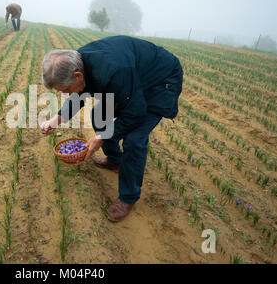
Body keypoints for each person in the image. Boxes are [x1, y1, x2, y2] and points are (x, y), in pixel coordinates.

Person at [40, 36, 183, 222]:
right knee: (99, 116)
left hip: (160, 81)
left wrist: (101, 137)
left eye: (65, 89)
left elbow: (136, 112)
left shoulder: (112, 71)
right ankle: (115, 160)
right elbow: (78, 95)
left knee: (134, 139)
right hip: (131, 79)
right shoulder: (79, 62)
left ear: (77, 76)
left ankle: (128, 197)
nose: (65, 94)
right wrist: (56, 119)